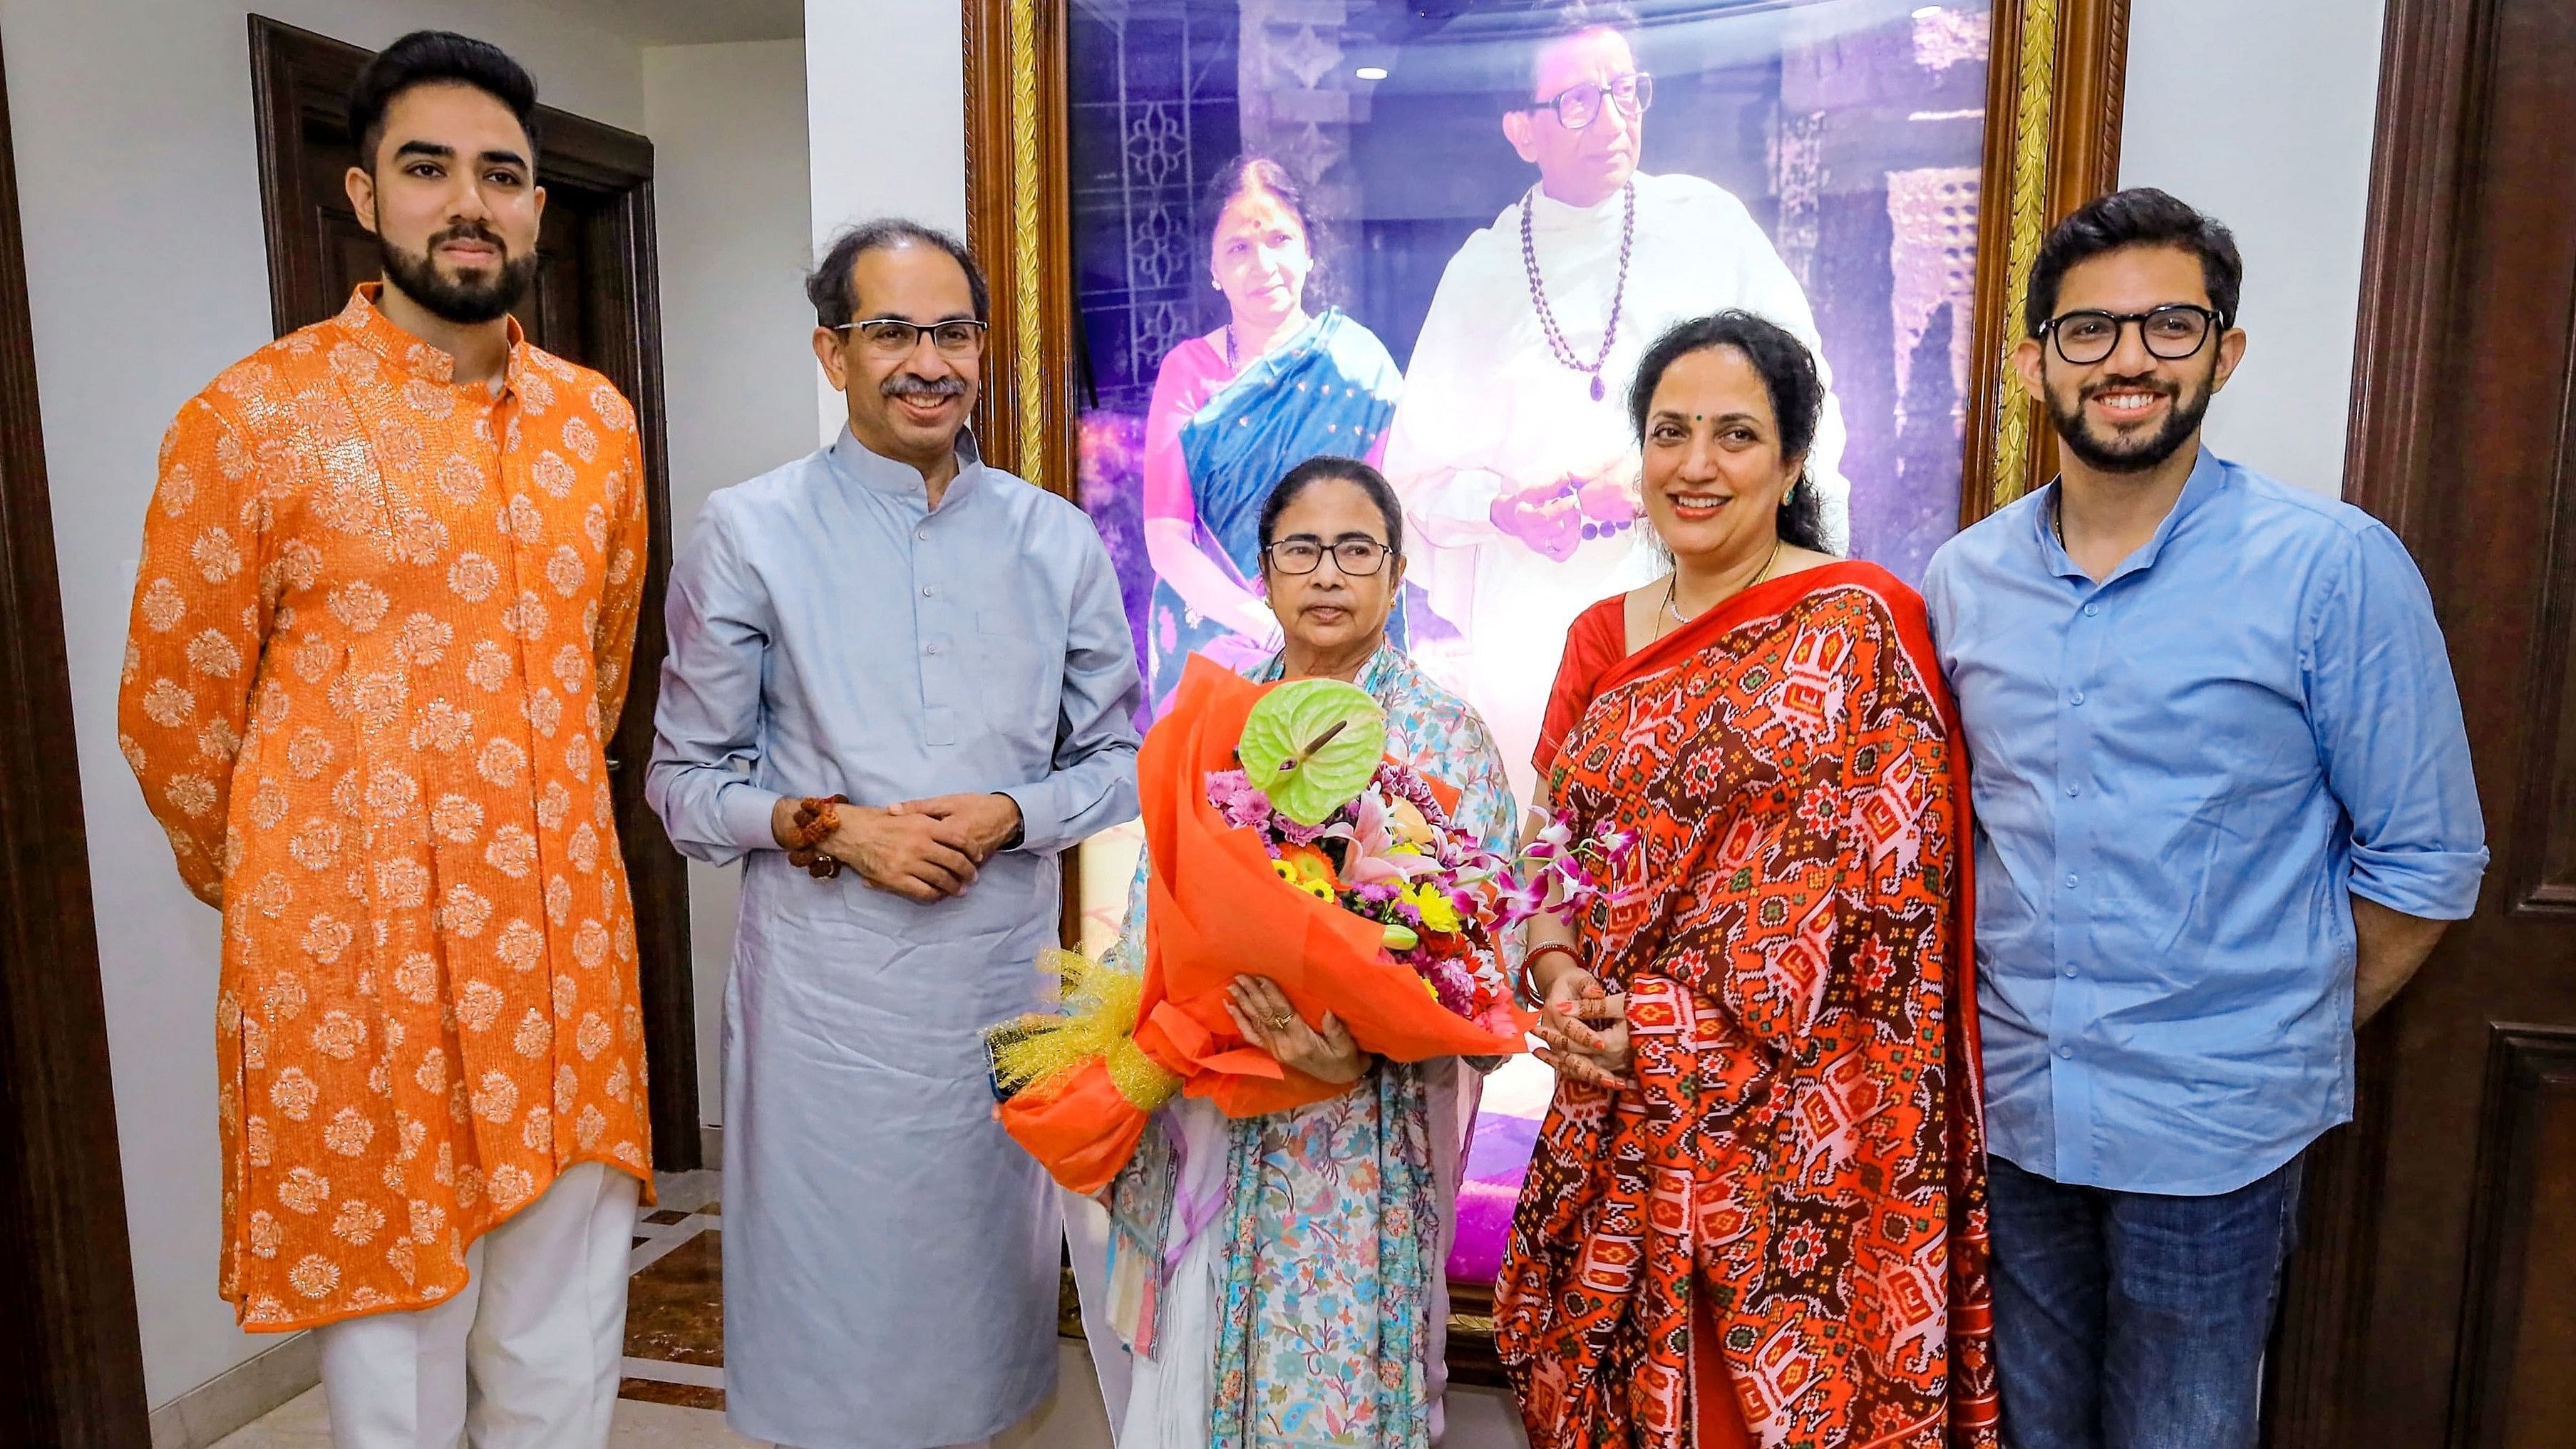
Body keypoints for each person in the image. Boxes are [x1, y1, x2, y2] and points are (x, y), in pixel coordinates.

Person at [118, 33, 652, 1449]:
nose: (467, 201)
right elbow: (174, 714)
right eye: (429, 169)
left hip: (562, 960)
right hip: (361, 971)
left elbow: (595, 679)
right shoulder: (249, 419)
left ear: (539, 206)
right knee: (396, 1355)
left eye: (501, 174)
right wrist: (299, 893)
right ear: (366, 195)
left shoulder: (596, 427)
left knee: (562, 1329)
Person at [1921, 188, 2486, 1448]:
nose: (2125, 358)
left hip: (2214, 1137)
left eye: (2166, 325)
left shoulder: (2329, 567)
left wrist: (2265, 1030)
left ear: (2220, 352)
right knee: (2027, 1431)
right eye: (2087, 332)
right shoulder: (1960, 584)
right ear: (2031, 365)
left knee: (2181, 1430)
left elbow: (2427, 859)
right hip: (2013, 1113)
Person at [645, 219, 1143, 1449]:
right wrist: (832, 830)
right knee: (830, 1304)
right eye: (892, 332)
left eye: (952, 331)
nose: (927, 360)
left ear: (980, 353)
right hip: (828, 1010)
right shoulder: (749, 531)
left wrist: (1011, 810)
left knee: (981, 1312)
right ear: (833, 351)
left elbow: (1121, 760)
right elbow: (681, 784)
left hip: (993, 989)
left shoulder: (1052, 538)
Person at [1495, 311, 1999, 1449]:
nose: (1696, 464)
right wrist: (1561, 970)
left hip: (1803, 1130)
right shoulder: (1599, 638)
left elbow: (1891, 896)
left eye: (1734, 434)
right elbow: (1547, 856)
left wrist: (1685, 1027)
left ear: (1790, 461)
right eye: (1670, 431)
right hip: (1618, 1105)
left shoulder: (1864, 620)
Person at [1066, 458, 1519, 1449]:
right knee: (1196, 1373)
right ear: (1265, 574)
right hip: (1211, 1118)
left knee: (1339, 1386)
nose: (1326, 573)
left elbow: (1484, 973)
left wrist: (1355, 1047)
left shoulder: (1445, 739)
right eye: (1300, 550)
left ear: (1397, 575)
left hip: (1363, 1145)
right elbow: (1156, 921)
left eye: (1355, 550)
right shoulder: (1210, 727)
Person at [1380, 0, 1849, 803]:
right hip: (1533, 617)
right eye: (1576, 101)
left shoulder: (1704, 224)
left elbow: (1807, 409)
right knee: (1550, 856)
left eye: (1626, 91)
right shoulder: (1480, 273)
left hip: (1701, 593)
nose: (1611, 119)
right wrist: (1507, 510)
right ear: (1521, 130)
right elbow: (1417, 482)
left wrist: (1663, 487)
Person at [1140, 156, 1406, 713]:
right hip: (1219, 648)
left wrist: (1319, 630)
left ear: (1308, 250)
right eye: (1239, 248)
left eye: (1280, 239)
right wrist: (1264, 628)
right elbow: (1166, 539)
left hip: (1344, 643)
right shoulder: (1187, 372)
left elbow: (1388, 532)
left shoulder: (1360, 368)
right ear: (1213, 266)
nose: (1263, 264)